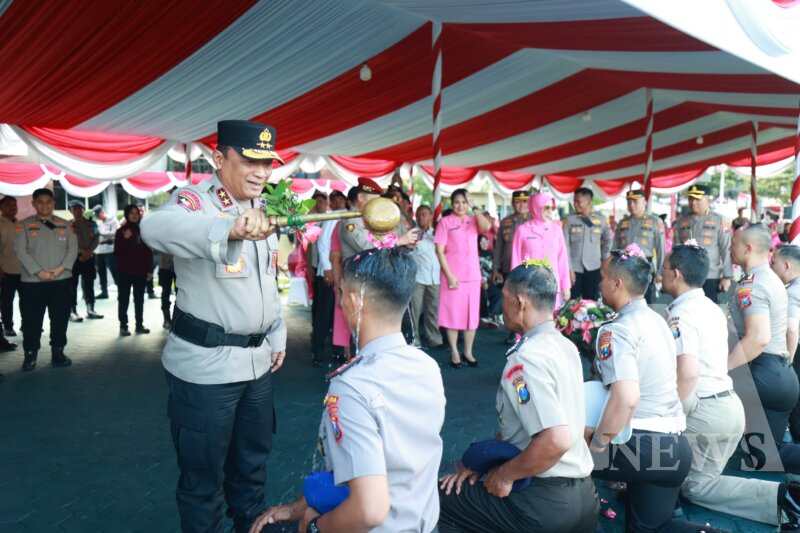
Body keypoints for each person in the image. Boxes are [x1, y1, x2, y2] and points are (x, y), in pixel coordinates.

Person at [140, 120, 287, 533]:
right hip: (207, 370)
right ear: (220, 159)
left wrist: (275, 332)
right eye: (252, 162)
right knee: (202, 484)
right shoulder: (196, 201)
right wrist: (227, 228)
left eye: (268, 163)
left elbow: (266, 279)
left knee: (252, 473)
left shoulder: (260, 207)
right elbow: (155, 228)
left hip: (257, 365)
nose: (262, 172)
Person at [250, 247, 446, 533]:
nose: (339, 301)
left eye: (341, 293)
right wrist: (296, 509)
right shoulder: (427, 367)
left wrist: (315, 526)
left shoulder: (353, 387)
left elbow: (369, 509)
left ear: (355, 301)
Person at [438, 259, 598, 532]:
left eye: (505, 299)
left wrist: (503, 474)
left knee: (437, 499)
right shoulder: (564, 346)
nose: (503, 308)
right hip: (583, 496)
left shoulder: (526, 358)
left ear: (520, 302)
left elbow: (555, 439)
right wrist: (486, 464)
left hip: (542, 501)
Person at [663, 243, 800, 527]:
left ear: (675, 274)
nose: (660, 274)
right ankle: (782, 496)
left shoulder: (681, 313)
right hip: (731, 402)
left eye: (664, 269)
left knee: (689, 481)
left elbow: (687, 375)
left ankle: (781, 497)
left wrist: (669, 416)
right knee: (737, 465)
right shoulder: (711, 307)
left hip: (711, 406)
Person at [589, 244, 710, 533]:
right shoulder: (659, 320)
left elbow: (626, 398)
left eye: (603, 277)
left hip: (643, 446)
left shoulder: (616, 329)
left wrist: (596, 446)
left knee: (554, 448)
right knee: (652, 528)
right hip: (676, 446)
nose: (599, 282)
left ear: (617, 283)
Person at [729, 224, 799, 455]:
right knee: (768, 458)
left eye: (734, 243)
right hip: (779, 373)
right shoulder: (768, 279)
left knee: (753, 459)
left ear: (748, 248)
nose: (730, 246)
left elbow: (758, 338)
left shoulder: (754, 284)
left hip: (761, 373)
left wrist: (722, 369)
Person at [14, 188, 77, 372]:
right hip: (32, 283)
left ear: (53, 204)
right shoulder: (23, 225)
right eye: (40, 202)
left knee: (60, 319)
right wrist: (38, 272)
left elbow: (72, 249)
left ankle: (58, 353)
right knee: (32, 320)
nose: (44, 205)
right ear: (34, 204)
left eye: (48, 202)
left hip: (61, 280)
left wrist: (60, 269)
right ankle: (30, 355)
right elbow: (20, 250)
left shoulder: (65, 225)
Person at [435, 188, 492, 368]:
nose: (461, 206)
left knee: (471, 317)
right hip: (452, 277)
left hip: (472, 276)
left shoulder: (473, 220)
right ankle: (454, 351)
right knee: (453, 316)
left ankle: (468, 351)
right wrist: (450, 275)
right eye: (457, 202)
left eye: (464, 202)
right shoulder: (445, 222)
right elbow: (439, 251)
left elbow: (487, 227)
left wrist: (475, 208)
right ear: (452, 204)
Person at [672, 184, 732, 303]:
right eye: (690, 199)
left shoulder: (719, 221)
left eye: (697, 199)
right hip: (686, 277)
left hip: (710, 276)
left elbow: (726, 249)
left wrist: (727, 276)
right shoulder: (681, 221)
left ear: (708, 199)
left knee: (708, 313)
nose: (693, 203)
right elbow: (676, 249)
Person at [510, 192, 571, 308]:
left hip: (552, 283)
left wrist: (565, 286)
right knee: (531, 321)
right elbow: (515, 260)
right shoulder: (522, 230)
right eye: (546, 208)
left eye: (552, 208)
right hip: (529, 284)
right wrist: (515, 287)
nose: (550, 211)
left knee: (552, 319)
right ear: (536, 206)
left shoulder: (556, 230)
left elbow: (562, 259)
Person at [612, 189, 665, 303]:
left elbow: (661, 249)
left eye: (635, 201)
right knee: (624, 301)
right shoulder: (622, 223)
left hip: (645, 266)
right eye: (629, 202)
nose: (631, 205)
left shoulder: (655, 222)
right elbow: (615, 248)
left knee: (645, 301)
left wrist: (660, 272)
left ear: (644, 202)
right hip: (624, 267)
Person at [772, 245, 800, 444]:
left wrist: (787, 362)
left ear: (787, 265)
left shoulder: (792, 292)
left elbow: (792, 329)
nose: (771, 267)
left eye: (774, 263)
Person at [564, 187, 611, 301]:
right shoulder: (569, 221)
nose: (575, 204)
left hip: (594, 267)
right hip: (574, 269)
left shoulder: (601, 220)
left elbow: (608, 240)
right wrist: (569, 269)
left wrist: (604, 260)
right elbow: (565, 247)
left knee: (592, 302)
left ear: (589, 202)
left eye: (578, 201)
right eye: (574, 201)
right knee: (572, 303)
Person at [114, 205, 153, 336]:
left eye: (136, 213)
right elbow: (117, 252)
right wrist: (125, 240)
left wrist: (149, 270)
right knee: (123, 299)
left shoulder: (144, 231)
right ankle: (123, 326)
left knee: (139, 299)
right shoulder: (121, 232)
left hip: (140, 271)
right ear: (126, 214)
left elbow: (148, 252)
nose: (134, 215)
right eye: (131, 213)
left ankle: (139, 325)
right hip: (124, 271)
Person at [409, 204, 444, 349]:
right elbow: (408, 252)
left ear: (431, 216)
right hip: (418, 277)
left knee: (433, 310)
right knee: (415, 311)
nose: (422, 217)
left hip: (434, 277)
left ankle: (434, 339)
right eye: (419, 214)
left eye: (425, 214)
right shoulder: (412, 233)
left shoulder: (437, 233)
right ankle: (414, 340)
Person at [68, 200, 103, 321]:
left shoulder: (91, 224)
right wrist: (82, 251)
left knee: (89, 284)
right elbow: (66, 242)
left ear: (83, 210)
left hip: (89, 257)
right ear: (70, 211)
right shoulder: (68, 225)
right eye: (74, 209)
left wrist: (89, 252)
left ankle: (90, 308)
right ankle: (72, 311)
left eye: (79, 208)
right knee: (72, 285)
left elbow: (97, 238)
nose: (77, 211)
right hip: (73, 259)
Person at [0, 195, 22, 338]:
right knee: (6, 301)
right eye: (9, 205)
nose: (13, 208)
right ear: (1, 208)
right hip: (5, 270)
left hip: (23, 270)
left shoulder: (19, 224)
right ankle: (8, 326)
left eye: (14, 205)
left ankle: (27, 325)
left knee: (26, 300)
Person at [93, 205, 119, 299]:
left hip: (110, 250)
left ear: (102, 212)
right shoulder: (98, 222)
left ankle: (121, 291)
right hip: (99, 251)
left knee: (114, 271)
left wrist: (102, 234)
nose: (97, 217)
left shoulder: (112, 220)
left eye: (97, 215)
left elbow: (116, 233)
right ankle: (104, 292)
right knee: (101, 272)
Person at [158, 252, 176, 329]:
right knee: (165, 294)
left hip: (179, 267)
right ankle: (167, 319)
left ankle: (176, 319)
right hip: (165, 267)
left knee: (180, 294)